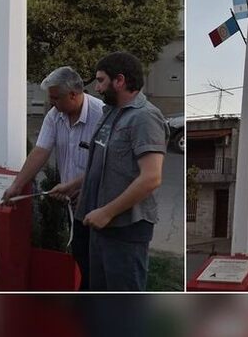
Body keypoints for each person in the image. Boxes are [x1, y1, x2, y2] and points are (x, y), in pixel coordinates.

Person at [61, 52, 168, 291]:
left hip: (125, 230)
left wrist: (107, 212)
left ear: (119, 81)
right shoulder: (110, 112)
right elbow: (106, 165)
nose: (97, 88)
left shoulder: (145, 118)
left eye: (100, 80)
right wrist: (74, 185)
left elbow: (151, 178)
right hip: (101, 226)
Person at [2, 66, 104, 290]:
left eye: (55, 98)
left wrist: (78, 186)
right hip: (74, 205)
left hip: (101, 204)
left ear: (74, 95)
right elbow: (40, 151)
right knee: (81, 256)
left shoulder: (102, 115)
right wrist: (17, 186)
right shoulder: (55, 115)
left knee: (100, 265)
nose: (52, 103)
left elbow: (106, 166)